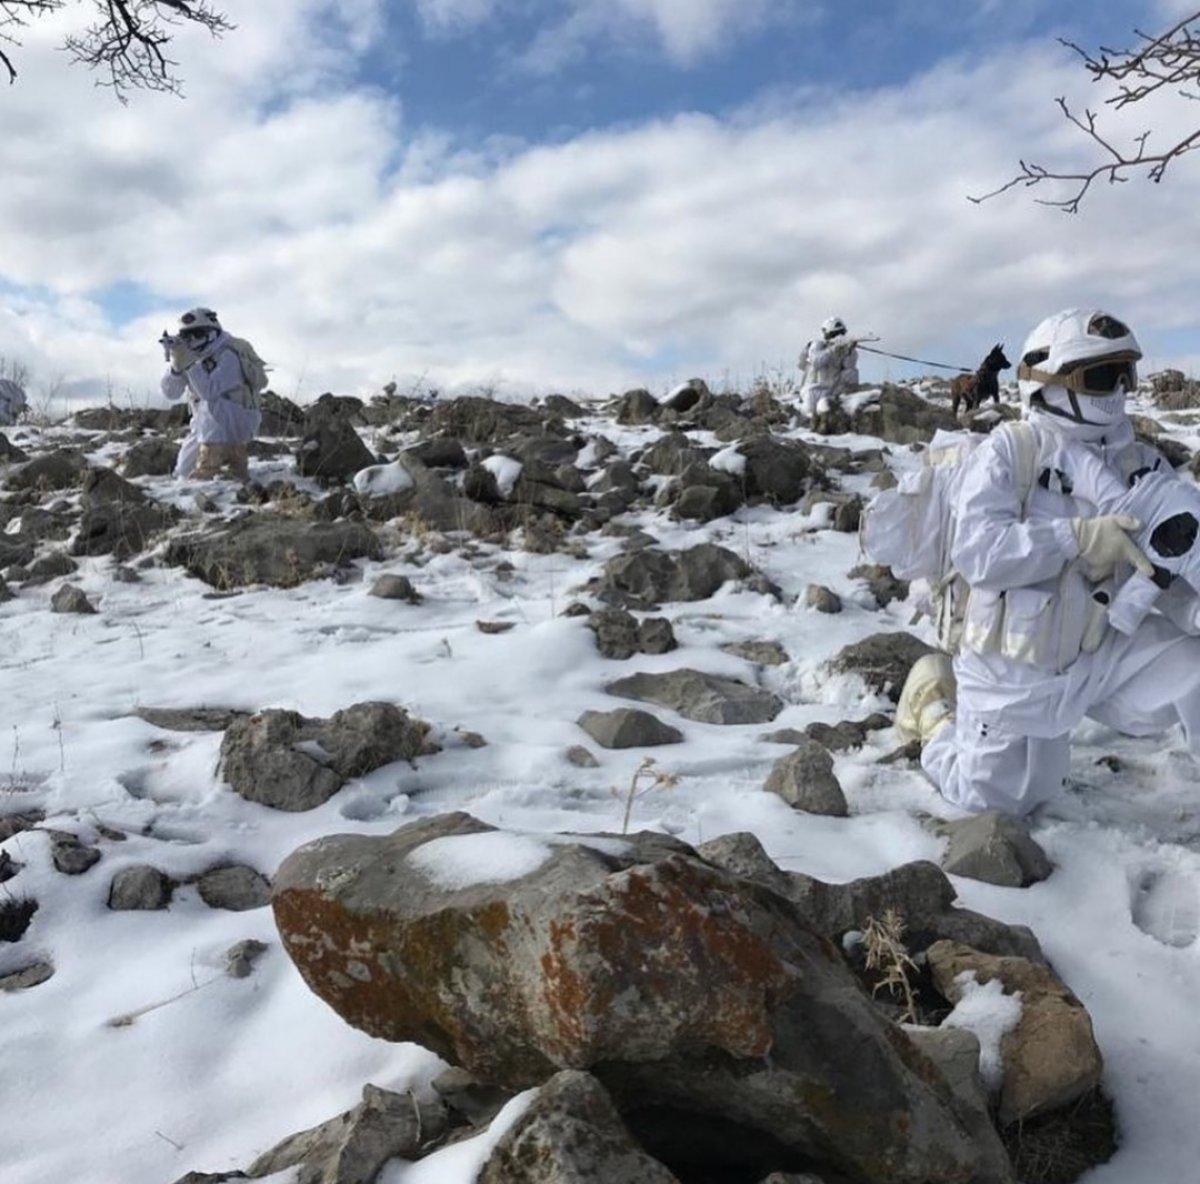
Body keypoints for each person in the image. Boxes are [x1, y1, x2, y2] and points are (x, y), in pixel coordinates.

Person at [896, 308, 1200, 816]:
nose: (1119, 390)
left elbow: (1167, 569)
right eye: (1102, 376)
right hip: (1015, 669)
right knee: (998, 803)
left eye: (1125, 374)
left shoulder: (1141, 464)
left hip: (1104, 651)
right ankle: (933, 706)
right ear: (1048, 380)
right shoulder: (1011, 452)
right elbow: (979, 553)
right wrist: (1076, 538)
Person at [161, 308, 264, 481]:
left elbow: (209, 391)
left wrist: (190, 364)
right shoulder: (192, 355)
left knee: (212, 407)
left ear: (212, 333)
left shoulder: (229, 355)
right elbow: (170, 393)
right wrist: (176, 368)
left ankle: (214, 470)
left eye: (197, 334)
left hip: (236, 419)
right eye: (187, 335)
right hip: (205, 423)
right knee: (183, 472)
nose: (191, 340)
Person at [799, 316, 860, 421]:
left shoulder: (843, 348)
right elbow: (816, 361)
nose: (839, 337)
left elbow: (849, 369)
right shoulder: (817, 345)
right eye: (835, 334)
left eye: (841, 334)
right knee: (809, 413)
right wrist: (833, 349)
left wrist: (850, 351)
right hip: (814, 390)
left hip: (833, 390)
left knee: (851, 373)